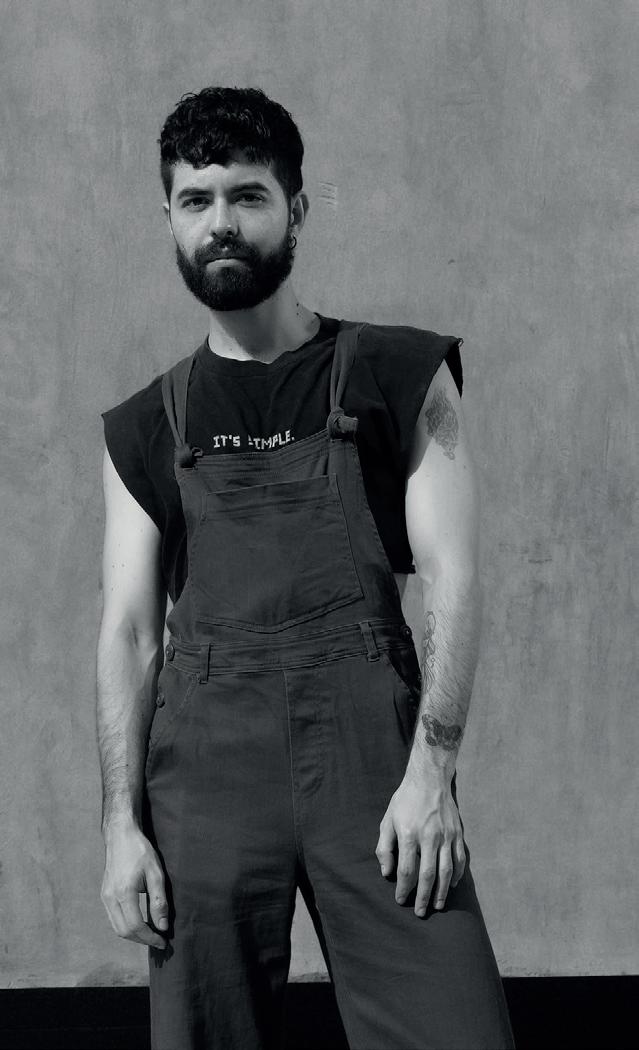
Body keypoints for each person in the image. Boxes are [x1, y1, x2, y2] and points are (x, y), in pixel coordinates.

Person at [97, 86, 515, 1050]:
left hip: (369, 755)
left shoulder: (396, 374)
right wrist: (120, 825)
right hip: (204, 768)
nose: (221, 223)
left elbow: (452, 576)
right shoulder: (143, 425)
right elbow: (129, 631)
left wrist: (431, 774)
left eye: (247, 196)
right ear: (169, 218)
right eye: (196, 200)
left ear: (296, 210)